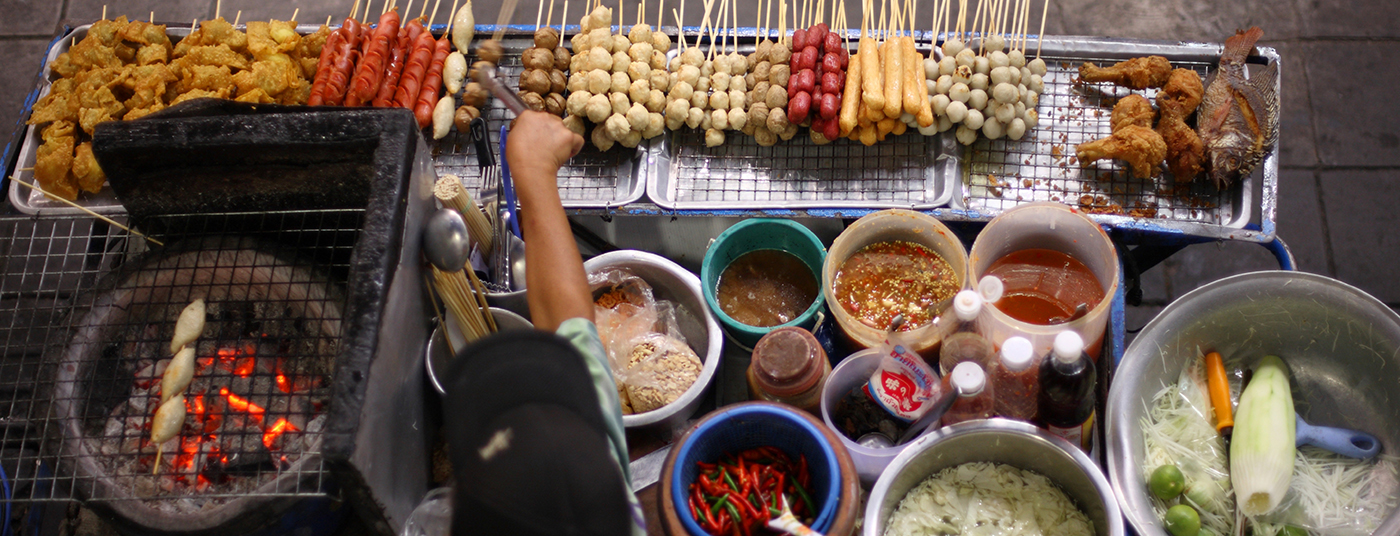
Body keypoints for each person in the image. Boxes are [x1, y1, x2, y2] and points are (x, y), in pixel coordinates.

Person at [443, 111, 646, 536]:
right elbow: (570, 328)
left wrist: (533, 171)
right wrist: (534, 170)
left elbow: (568, 327)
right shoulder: (610, 509)